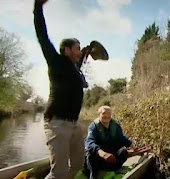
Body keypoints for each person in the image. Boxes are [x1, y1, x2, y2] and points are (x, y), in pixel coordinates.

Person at [33, 0, 89, 178]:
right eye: (77, 49)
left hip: (73, 125)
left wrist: (87, 51)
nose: (79, 52)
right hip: (57, 124)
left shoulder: (74, 68)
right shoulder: (56, 62)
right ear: (66, 50)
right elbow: (42, 36)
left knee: (79, 164)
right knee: (59, 173)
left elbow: (79, 62)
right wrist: (38, 8)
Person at [84, 106, 133, 179]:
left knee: (123, 151)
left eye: (109, 114)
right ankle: (94, 176)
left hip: (111, 157)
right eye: (104, 113)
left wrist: (131, 145)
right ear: (99, 114)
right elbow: (89, 143)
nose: (106, 116)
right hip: (100, 157)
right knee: (90, 155)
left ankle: (115, 170)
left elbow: (122, 138)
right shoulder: (93, 126)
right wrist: (102, 153)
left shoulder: (115, 125)